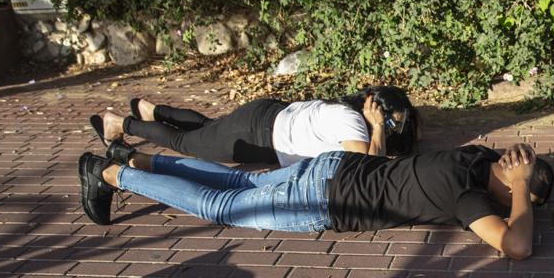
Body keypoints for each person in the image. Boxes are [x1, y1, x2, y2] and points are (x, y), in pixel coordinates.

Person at [78, 142, 554, 260]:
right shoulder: (468, 196)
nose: (518, 204)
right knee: (219, 207)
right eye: (522, 195)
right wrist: (519, 192)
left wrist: (515, 176)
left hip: (332, 167)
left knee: (241, 184)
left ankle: (136, 157)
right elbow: (517, 246)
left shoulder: (473, 157)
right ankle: (111, 173)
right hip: (325, 198)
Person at [88, 86, 420, 164]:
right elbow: (369, 166)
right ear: (373, 109)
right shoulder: (356, 124)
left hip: (264, 118)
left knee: (208, 126)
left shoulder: (343, 110)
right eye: (389, 120)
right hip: (258, 134)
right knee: (186, 144)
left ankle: (152, 108)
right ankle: (120, 123)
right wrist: (377, 127)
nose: (391, 129)